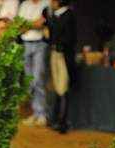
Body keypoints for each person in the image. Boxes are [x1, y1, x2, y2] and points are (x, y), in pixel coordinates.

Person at [18, 0, 50, 127]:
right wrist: (33, 23)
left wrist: (28, 24)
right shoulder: (24, 4)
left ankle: (42, 114)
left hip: (40, 43)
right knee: (30, 81)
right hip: (26, 44)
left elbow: (43, 24)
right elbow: (19, 26)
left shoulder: (46, 3)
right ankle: (35, 113)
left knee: (38, 79)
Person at [46, 0, 76, 133]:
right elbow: (51, 37)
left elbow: (69, 38)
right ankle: (55, 119)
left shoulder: (68, 16)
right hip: (54, 52)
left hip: (63, 55)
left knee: (63, 86)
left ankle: (62, 122)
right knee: (57, 86)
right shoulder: (53, 16)